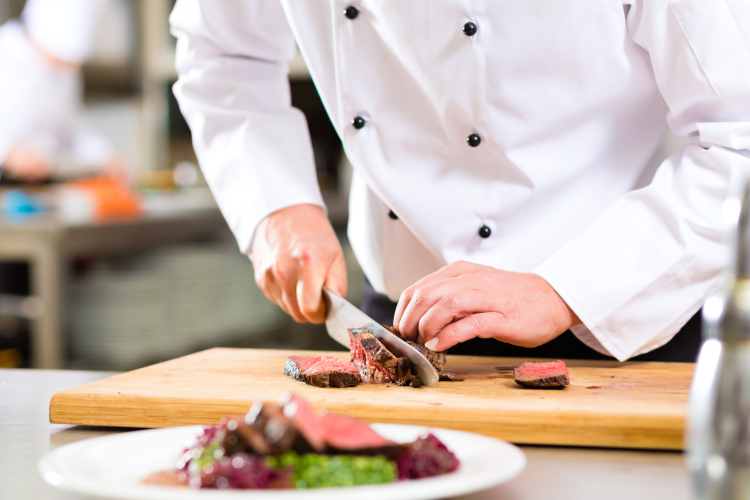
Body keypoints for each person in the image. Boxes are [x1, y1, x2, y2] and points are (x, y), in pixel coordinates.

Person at [170, 1, 750, 362]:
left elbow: (738, 138)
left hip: (626, 309)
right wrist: (276, 203)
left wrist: (565, 289)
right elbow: (223, 54)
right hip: (402, 321)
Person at [0, 0, 123, 185]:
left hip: (41, 185)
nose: (70, 66)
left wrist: (104, 155)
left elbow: (73, 130)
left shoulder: (66, 72)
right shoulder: (5, 53)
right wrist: (7, 152)